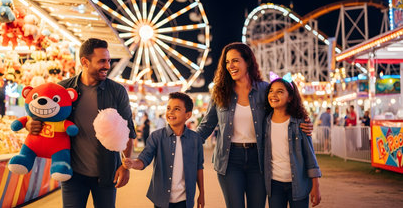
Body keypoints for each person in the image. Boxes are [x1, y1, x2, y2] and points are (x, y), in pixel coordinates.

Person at [196, 42, 313, 208]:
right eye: (227, 62)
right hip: (229, 160)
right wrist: (185, 139)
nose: (230, 66)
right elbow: (206, 126)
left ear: (248, 62)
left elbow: (286, 111)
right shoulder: (220, 92)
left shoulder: (265, 90)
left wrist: (305, 122)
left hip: (259, 159)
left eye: (235, 60)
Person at [25, 38, 136, 208]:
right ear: (85, 61)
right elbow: (40, 117)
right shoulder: (62, 90)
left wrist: (125, 166)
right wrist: (30, 125)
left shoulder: (117, 91)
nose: (107, 65)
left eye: (108, 60)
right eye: (102, 61)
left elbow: (129, 131)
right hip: (72, 174)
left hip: (107, 173)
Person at [122, 92, 205, 208]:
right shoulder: (156, 137)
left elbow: (199, 167)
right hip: (161, 199)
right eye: (168, 108)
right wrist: (133, 163)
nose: (170, 112)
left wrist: (202, 193)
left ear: (188, 115)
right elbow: (144, 159)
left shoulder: (195, 139)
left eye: (176, 109)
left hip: (185, 200)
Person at [264, 77, 321, 208]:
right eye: (271, 91)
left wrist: (315, 186)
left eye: (280, 91)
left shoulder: (299, 123)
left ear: (290, 97)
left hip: (298, 183)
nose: (273, 94)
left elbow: (309, 155)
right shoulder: (265, 122)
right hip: (274, 185)